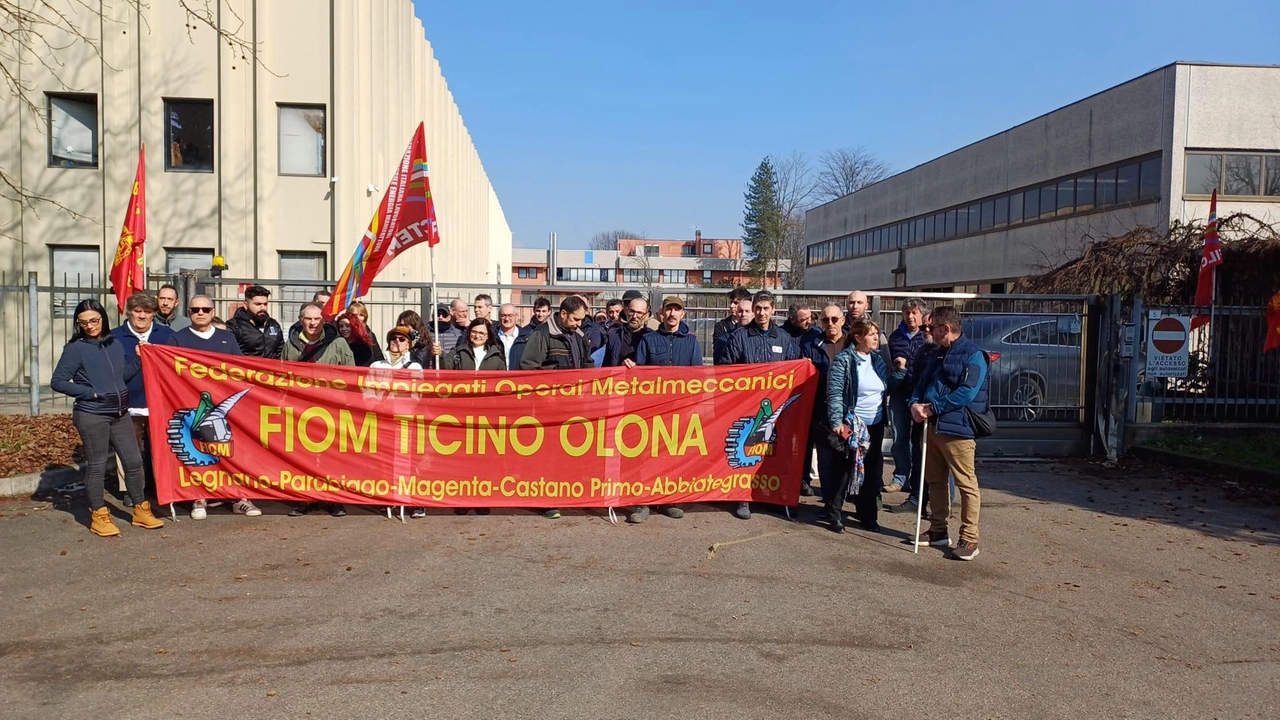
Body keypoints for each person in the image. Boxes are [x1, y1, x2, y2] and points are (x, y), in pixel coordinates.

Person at [51, 299, 165, 536]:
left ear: (103, 318)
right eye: (83, 323)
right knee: (97, 466)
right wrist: (90, 393)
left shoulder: (113, 343)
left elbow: (122, 376)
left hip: (120, 413)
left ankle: (140, 509)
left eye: (94, 320)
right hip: (92, 415)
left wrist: (138, 360)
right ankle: (98, 514)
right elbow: (58, 381)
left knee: (133, 463)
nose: (90, 326)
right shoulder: (75, 349)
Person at [168, 296, 264, 519]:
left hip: (225, 406)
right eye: (195, 309)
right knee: (198, 453)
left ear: (213, 312)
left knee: (232, 451)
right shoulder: (177, 339)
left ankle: (240, 497)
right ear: (189, 312)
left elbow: (240, 370)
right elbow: (169, 372)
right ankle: (198, 497)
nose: (200, 312)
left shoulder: (226, 338)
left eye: (205, 309)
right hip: (191, 405)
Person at [910, 306, 989, 561]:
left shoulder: (974, 355)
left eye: (932, 328)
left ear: (946, 329)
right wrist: (915, 403)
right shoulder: (937, 354)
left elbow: (967, 392)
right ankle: (938, 530)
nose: (928, 332)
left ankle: (969, 538)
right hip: (932, 427)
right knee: (935, 480)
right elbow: (922, 383)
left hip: (958, 430)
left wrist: (932, 408)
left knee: (966, 484)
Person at [722, 290, 801, 520]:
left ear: (773, 310)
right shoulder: (739, 337)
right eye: (758, 308)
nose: (762, 313)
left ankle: (772, 497)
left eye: (766, 308)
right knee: (748, 450)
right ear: (752, 309)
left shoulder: (784, 338)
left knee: (774, 452)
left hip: (777, 409)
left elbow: (794, 369)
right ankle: (743, 498)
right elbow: (726, 368)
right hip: (746, 407)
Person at [628, 296, 702, 524]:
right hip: (651, 410)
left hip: (680, 411)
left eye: (676, 310)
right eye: (668, 309)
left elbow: (698, 378)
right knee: (646, 456)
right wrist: (630, 367)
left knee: (673, 456)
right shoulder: (648, 340)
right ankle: (643, 502)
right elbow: (638, 375)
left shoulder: (692, 342)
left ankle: (669, 499)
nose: (672, 314)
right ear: (661, 313)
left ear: (683, 314)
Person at [520, 296, 589, 519]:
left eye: (581, 320)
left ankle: (566, 492)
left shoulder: (578, 335)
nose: (580, 323)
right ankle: (548, 500)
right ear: (563, 315)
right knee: (547, 456)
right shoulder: (541, 335)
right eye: (576, 319)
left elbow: (587, 365)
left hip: (574, 407)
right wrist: (546, 397)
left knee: (569, 454)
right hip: (548, 409)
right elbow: (529, 369)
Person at [826, 319, 898, 533]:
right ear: (858, 337)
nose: (876, 338)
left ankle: (868, 516)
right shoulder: (844, 359)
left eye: (877, 333)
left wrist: (900, 372)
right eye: (871, 334)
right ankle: (834, 514)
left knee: (872, 471)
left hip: (875, 425)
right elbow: (836, 392)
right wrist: (836, 422)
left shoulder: (877, 360)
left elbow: (887, 386)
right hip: (852, 424)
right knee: (844, 471)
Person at [284, 302, 355, 518]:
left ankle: (334, 498)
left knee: (331, 455)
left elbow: (351, 375)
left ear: (323, 320)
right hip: (301, 409)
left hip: (331, 408)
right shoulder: (291, 344)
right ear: (300, 319)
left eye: (316, 319)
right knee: (303, 455)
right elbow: (284, 374)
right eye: (308, 319)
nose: (313, 323)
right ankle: (304, 497)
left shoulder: (338, 343)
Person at [110, 292, 174, 507]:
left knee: (161, 450)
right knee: (129, 450)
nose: (142, 316)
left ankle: (162, 487)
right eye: (138, 311)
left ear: (154, 314)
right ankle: (131, 489)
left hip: (159, 404)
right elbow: (114, 373)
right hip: (129, 404)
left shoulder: (166, 335)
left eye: (147, 312)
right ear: (129, 312)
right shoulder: (115, 337)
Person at [802, 304, 847, 502]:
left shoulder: (852, 342)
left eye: (834, 319)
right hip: (821, 408)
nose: (830, 324)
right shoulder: (810, 344)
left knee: (848, 461)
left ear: (843, 320)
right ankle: (830, 506)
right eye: (826, 320)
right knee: (825, 461)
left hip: (848, 410)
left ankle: (841, 502)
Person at [885, 298, 928, 494]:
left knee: (918, 440)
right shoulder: (895, 337)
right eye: (907, 313)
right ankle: (900, 477)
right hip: (899, 393)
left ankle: (919, 480)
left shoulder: (927, 335)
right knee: (899, 437)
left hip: (920, 395)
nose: (910, 317)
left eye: (914, 312)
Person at [226, 284, 283, 359]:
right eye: (258, 304)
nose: (262, 308)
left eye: (265, 304)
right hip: (246, 369)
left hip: (270, 369)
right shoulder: (234, 326)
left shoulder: (273, 325)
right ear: (246, 305)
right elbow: (229, 354)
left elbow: (280, 352)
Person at [602, 295, 650, 368]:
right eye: (632, 311)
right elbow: (606, 366)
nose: (634, 316)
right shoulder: (613, 335)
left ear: (646, 315)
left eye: (639, 313)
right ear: (626, 311)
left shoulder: (652, 337)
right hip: (620, 378)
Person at [712, 286, 752, 361]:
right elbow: (719, 352)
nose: (731, 306)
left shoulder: (754, 327)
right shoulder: (721, 326)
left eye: (736, 303)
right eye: (731, 302)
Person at [495, 303, 527, 370]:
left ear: (516, 316)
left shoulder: (526, 338)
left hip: (519, 378)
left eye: (510, 315)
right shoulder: (491, 337)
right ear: (498, 317)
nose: (506, 319)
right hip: (496, 378)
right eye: (503, 315)